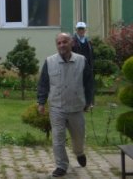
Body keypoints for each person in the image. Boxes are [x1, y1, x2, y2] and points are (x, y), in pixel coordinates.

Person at [37, 32, 94, 177]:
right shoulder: (49, 62)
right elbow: (43, 83)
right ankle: (61, 165)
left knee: (78, 137)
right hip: (57, 107)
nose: (62, 45)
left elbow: (89, 84)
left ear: (72, 43)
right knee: (58, 138)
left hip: (76, 108)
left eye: (65, 42)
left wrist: (89, 101)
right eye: (59, 43)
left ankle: (79, 152)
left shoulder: (82, 60)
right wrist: (41, 102)